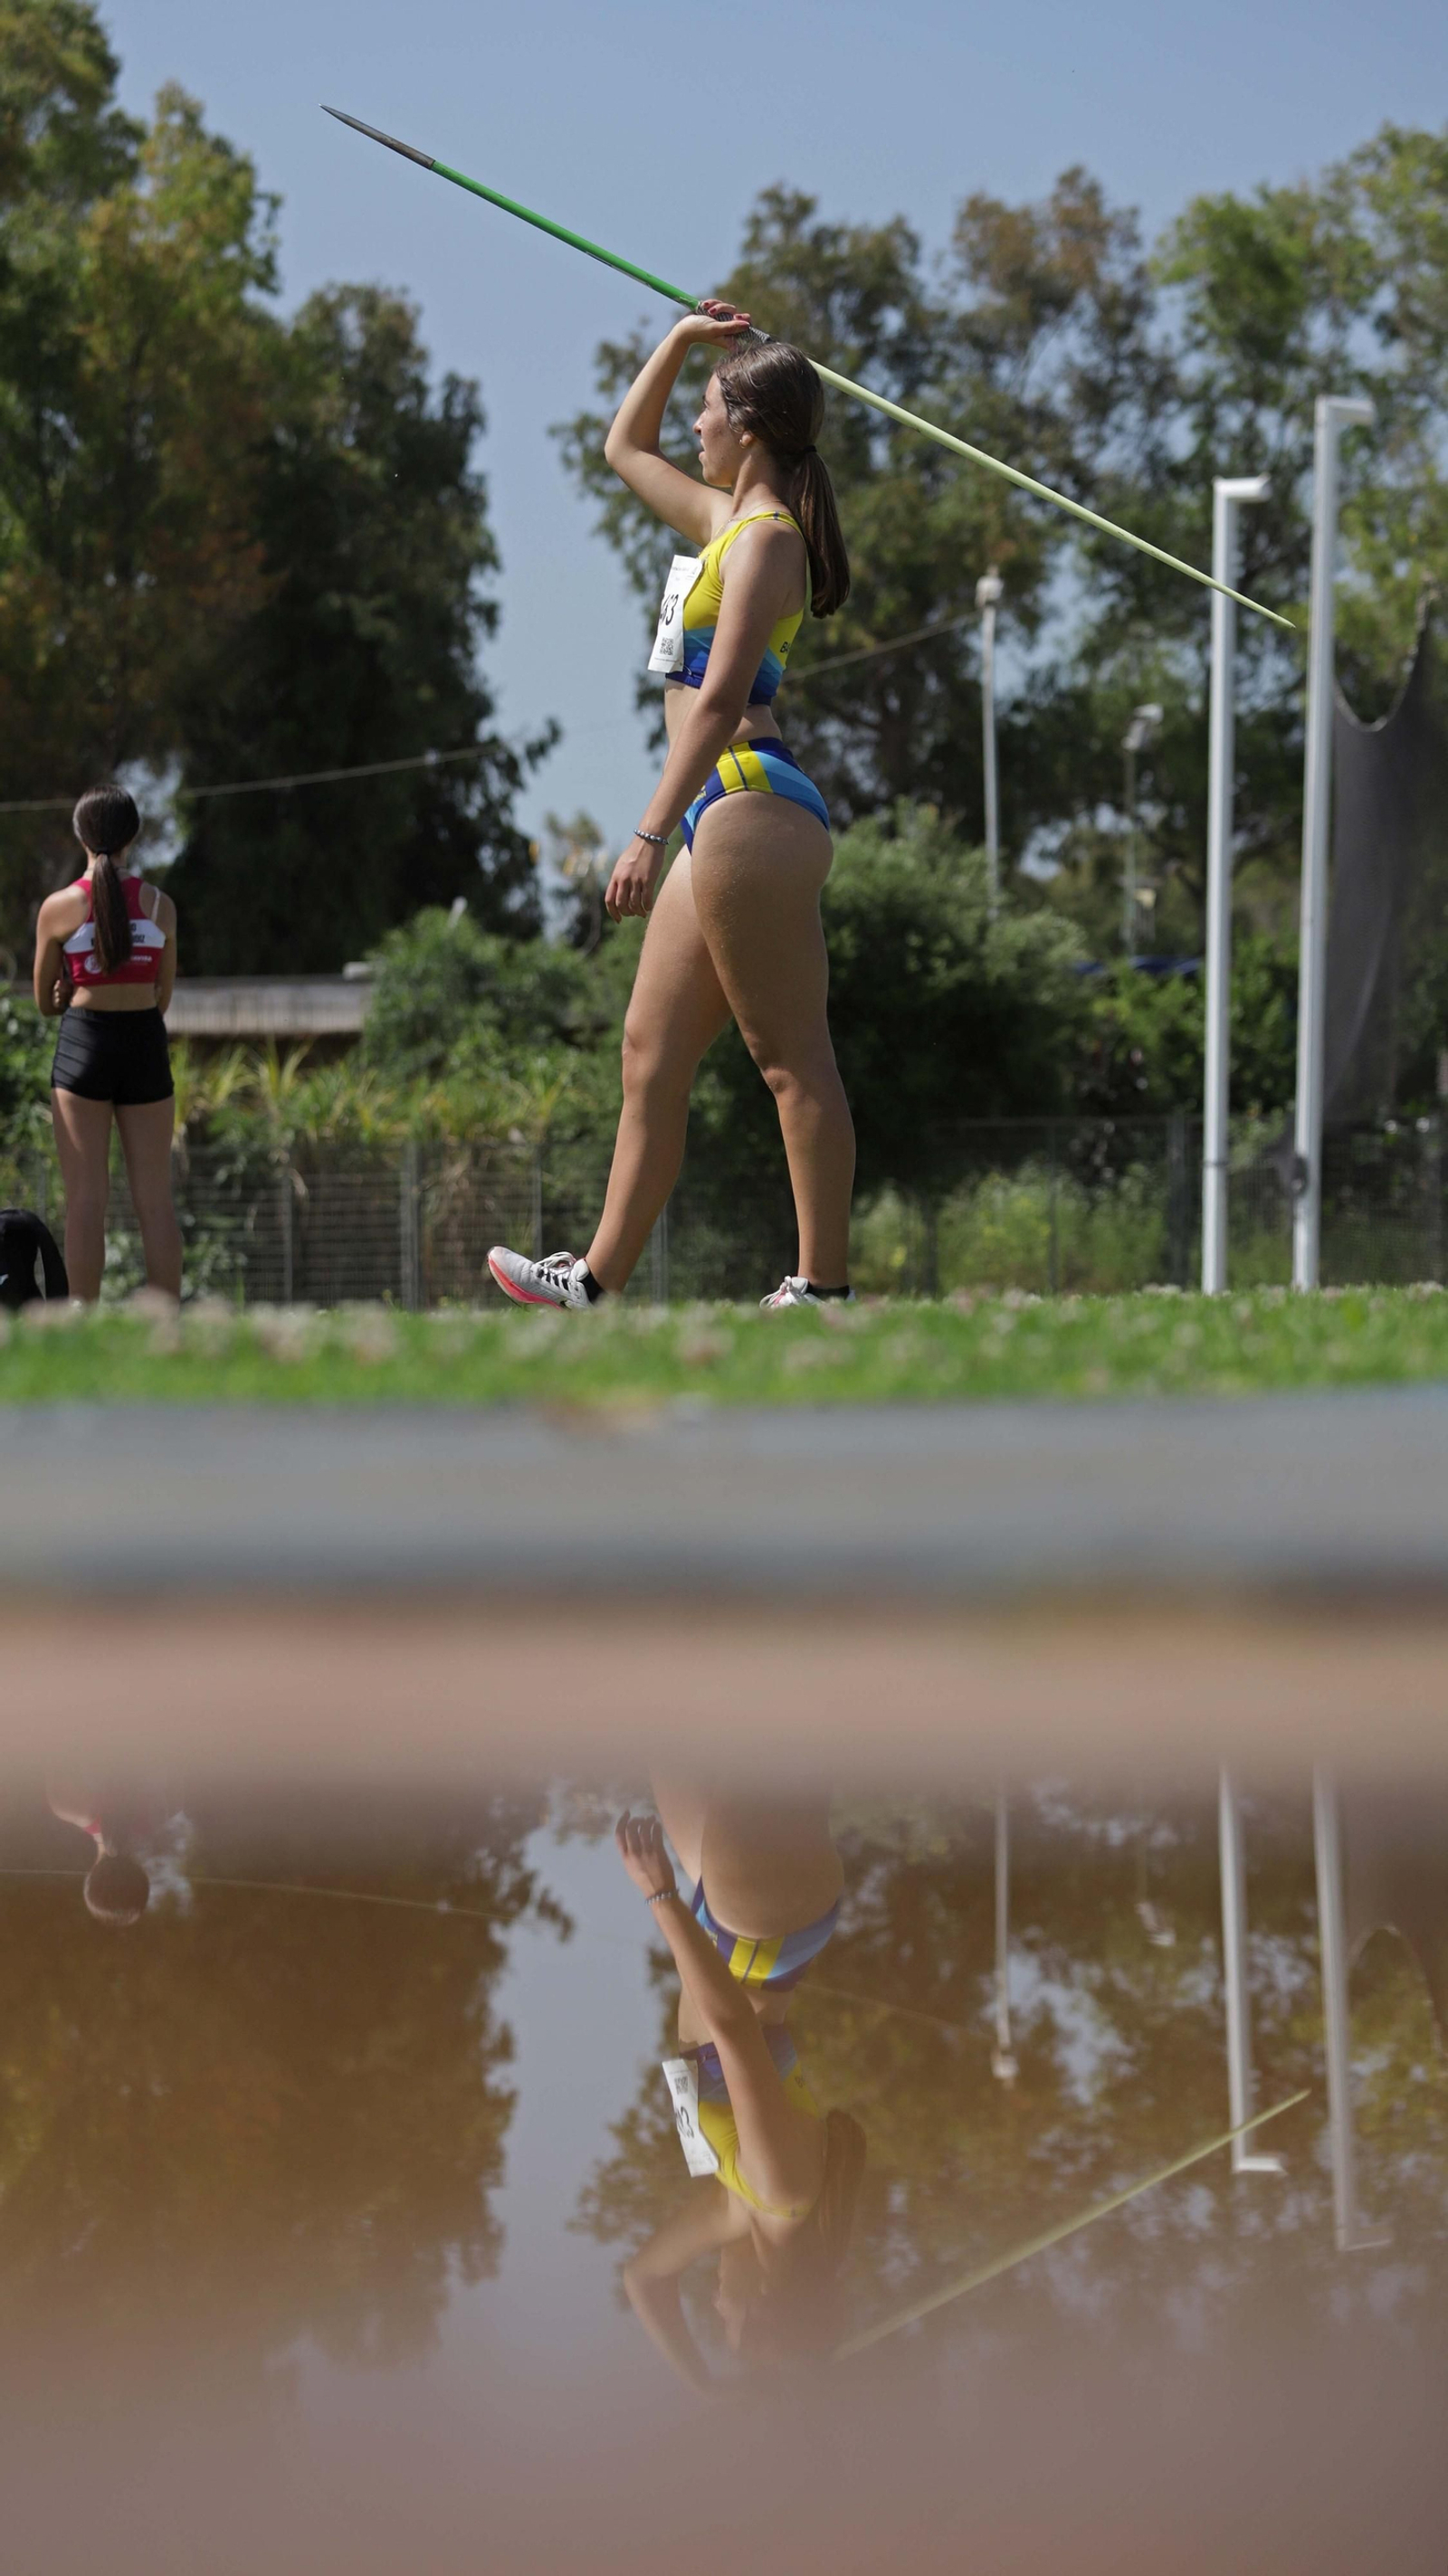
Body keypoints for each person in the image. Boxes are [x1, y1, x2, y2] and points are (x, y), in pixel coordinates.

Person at [489, 307, 856, 1315]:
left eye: (708, 412)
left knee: (789, 1062)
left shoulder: (767, 541)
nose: (695, 428)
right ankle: (593, 1281)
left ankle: (822, 1285)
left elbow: (727, 702)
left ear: (748, 427)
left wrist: (647, 831)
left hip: (745, 802)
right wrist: (686, 341)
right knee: (648, 1052)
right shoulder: (723, 523)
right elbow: (622, 445)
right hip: (717, 814)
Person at [613, 1787, 865, 2386]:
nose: (715, 2306)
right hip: (760, 1921)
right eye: (725, 2324)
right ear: (760, 2308)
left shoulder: (740, 2209)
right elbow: (730, 2030)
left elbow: (643, 2280)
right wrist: (659, 1894)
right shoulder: (782, 2190)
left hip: (726, 1920)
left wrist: (707, 2393)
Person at [32, 784, 181, 1303]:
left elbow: (46, 1002)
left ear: (80, 835)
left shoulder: (58, 907)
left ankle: (83, 1324)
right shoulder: (161, 906)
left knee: (85, 1203)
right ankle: (166, 1327)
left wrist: (68, 991)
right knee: (156, 1204)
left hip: (83, 1048)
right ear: (133, 839)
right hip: (144, 1044)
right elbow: (162, 998)